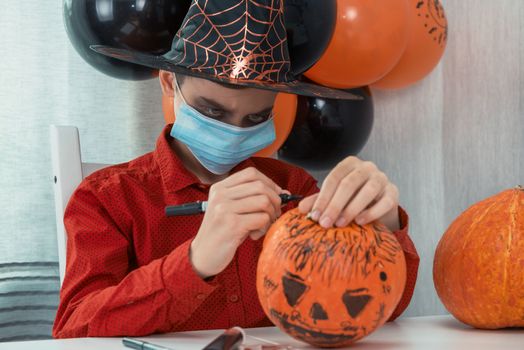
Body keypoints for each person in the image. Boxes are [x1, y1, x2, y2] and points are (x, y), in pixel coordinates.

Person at [53, 0, 419, 338]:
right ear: (169, 82)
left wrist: (384, 227)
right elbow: (73, 329)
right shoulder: (106, 198)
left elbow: (380, 309)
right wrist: (195, 261)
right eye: (213, 111)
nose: (232, 132)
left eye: (257, 117)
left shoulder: (295, 190)